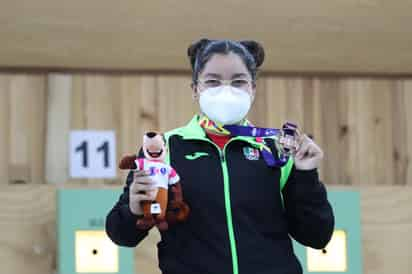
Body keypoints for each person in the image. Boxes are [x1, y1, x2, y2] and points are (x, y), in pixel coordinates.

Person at [105, 38, 335, 274]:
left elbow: (317, 236)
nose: (226, 90)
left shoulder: (278, 151)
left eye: (238, 82)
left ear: (253, 89)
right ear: (195, 89)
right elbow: (121, 235)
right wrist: (133, 209)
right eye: (213, 82)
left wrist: (307, 175)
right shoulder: (163, 150)